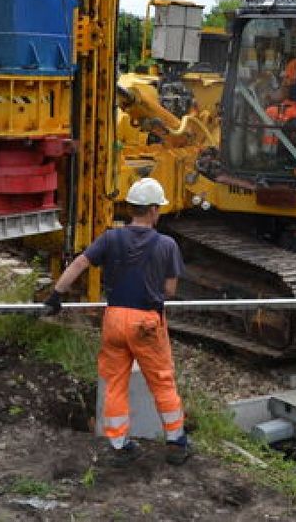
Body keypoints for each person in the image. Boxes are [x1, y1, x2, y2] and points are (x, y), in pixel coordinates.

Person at [45, 177, 191, 467]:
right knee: (161, 381)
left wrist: (56, 295)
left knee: (114, 382)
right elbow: (171, 291)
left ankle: (119, 444)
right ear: (151, 210)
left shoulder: (110, 238)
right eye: (158, 208)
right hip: (146, 322)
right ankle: (176, 442)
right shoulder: (167, 244)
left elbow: (79, 263)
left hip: (113, 318)